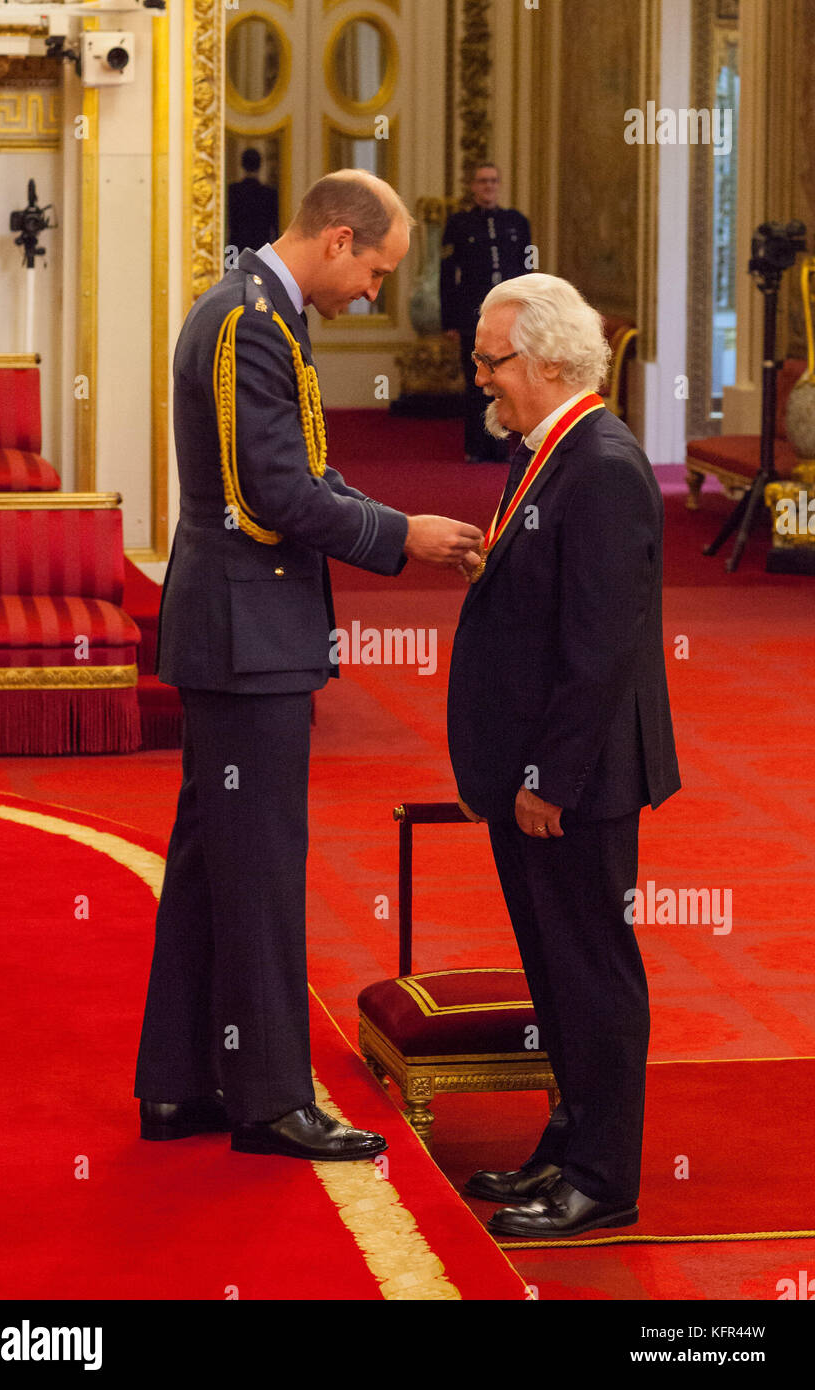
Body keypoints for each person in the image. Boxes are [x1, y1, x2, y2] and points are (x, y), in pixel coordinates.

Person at [134, 170, 484, 1164]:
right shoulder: (250, 321)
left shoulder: (253, 310)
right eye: (375, 271)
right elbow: (280, 489)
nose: (373, 293)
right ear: (338, 238)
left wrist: (379, 517)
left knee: (211, 863)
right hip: (247, 634)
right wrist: (400, 533)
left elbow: (301, 466)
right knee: (259, 868)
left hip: (240, 626)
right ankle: (274, 1098)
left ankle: (178, 1082)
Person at [447, 272, 680, 1236]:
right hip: (535, 775)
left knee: (592, 972)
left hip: (574, 782)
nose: (481, 382)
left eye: (491, 363)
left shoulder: (605, 463)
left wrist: (549, 778)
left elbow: (602, 648)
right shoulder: (550, 451)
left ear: (546, 361)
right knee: (554, 969)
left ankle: (603, 1179)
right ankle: (568, 1142)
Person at [439, 163, 532, 463]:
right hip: (471, 318)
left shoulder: (516, 222)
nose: (488, 186)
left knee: (507, 381)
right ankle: (476, 447)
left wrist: (529, 312)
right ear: (474, 187)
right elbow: (446, 274)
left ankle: (502, 446)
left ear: (499, 184)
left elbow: (528, 270)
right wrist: (449, 319)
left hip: (511, 318)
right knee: (476, 382)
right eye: (482, 181)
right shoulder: (458, 224)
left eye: (493, 181)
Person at [227, 147, 279, 255]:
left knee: (234, 271)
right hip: (261, 248)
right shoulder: (269, 193)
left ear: (242, 164)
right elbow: (275, 227)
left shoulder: (233, 191)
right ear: (260, 165)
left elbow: (229, 225)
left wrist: (229, 260)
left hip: (236, 246)